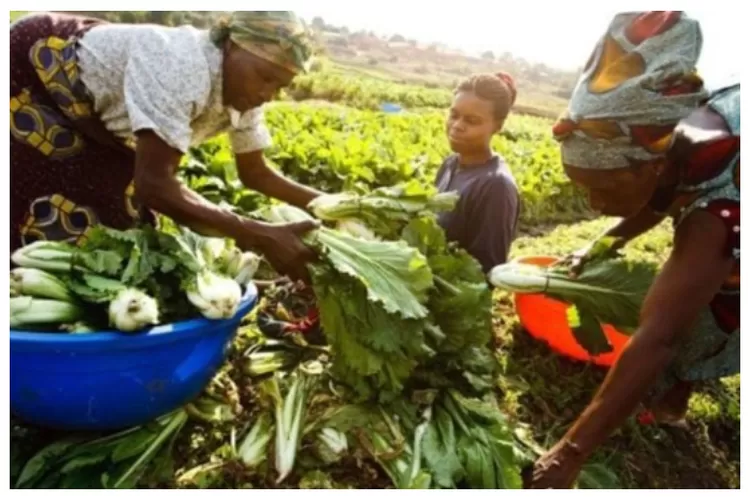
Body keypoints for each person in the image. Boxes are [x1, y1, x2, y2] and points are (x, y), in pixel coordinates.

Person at [528, 11, 739, 488]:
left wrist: (568, 454)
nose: (595, 205)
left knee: (718, 304)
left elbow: (657, 336)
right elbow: (660, 198)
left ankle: (673, 400)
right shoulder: (665, 146)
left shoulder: (714, 210)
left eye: (603, 190)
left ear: (651, 168)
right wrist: (598, 245)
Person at [10, 11, 323, 282]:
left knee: (118, 223)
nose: (267, 93)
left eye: (279, 86)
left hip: (99, 118)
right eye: (264, 76)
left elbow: (255, 173)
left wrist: (334, 205)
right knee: (40, 211)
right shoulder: (182, 65)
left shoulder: (247, 97)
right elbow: (155, 186)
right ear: (231, 46)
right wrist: (260, 235)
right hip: (35, 71)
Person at [435, 73, 521, 273]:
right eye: (454, 115)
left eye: (472, 121)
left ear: (497, 127)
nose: (457, 126)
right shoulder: (449, 165)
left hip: (451, 300)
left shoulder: (496, 186)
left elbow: (486, 271)